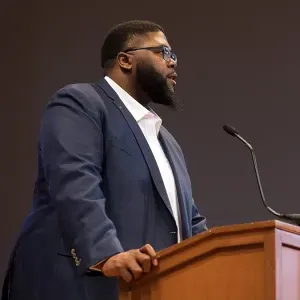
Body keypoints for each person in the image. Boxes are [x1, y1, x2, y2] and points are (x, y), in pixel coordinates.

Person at [1, 20, 207, 300]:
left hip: (149, 290)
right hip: (76, 287)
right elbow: (75, 182)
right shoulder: (80, 103)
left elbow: (191, 222)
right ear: (126, 60)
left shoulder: (167, 142)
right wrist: (106, 253)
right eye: (163, 53)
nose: (173, 63)